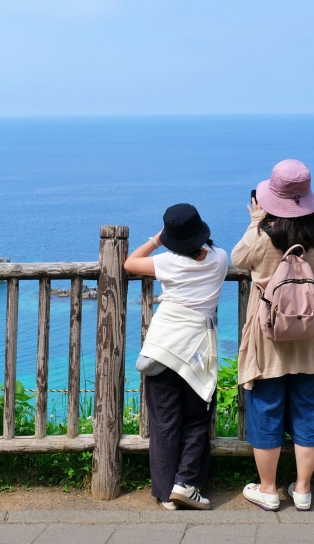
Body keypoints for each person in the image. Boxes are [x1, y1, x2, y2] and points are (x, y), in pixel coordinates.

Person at [233, 159, 314, 512]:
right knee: (309, 412)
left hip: (269, 339)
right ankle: (303, 490)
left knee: (266, 410)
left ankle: (267, 489)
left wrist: (255, 221)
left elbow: (237, 259)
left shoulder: (262, 235)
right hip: (312, 334)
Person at [124, 203, 229, 511]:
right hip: (197, 353)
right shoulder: (220, 259)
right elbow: (213, 248)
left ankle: (165, 493)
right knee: (197, 418)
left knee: (164, 422)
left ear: (172, 239)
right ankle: (186, 483)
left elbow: (130, 262)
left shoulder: (166, 263)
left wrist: (156, 240)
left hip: (163, 349)